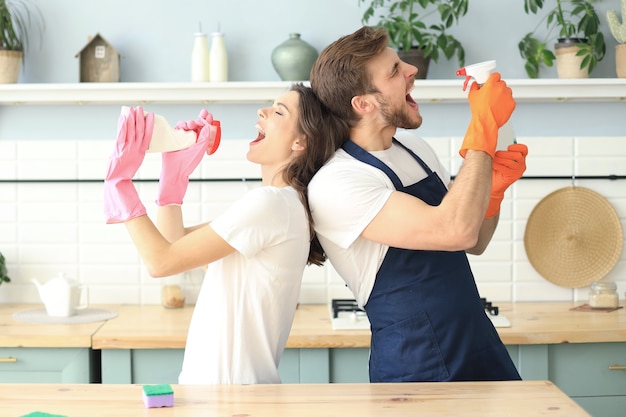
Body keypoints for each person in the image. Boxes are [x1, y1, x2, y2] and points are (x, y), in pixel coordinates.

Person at [308, 26, 528, 382]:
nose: (411, 70)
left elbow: (474, 239)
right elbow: (454, 229)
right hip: (415, 364)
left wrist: (493, 191)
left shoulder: (415, 150)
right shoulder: (338, 182)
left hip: (477, 344)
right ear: (363, 103)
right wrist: (482, 131)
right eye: (395, 70)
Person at [103, 83, 348, 384]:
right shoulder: (281, 205)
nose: (263, 111)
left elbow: (161, 262)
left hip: (227, 398)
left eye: (278, 111)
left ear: (301, 141)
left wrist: (120, 182)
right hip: (226, 394)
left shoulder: (271, 204)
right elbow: (175, 246)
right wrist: (173, 181)